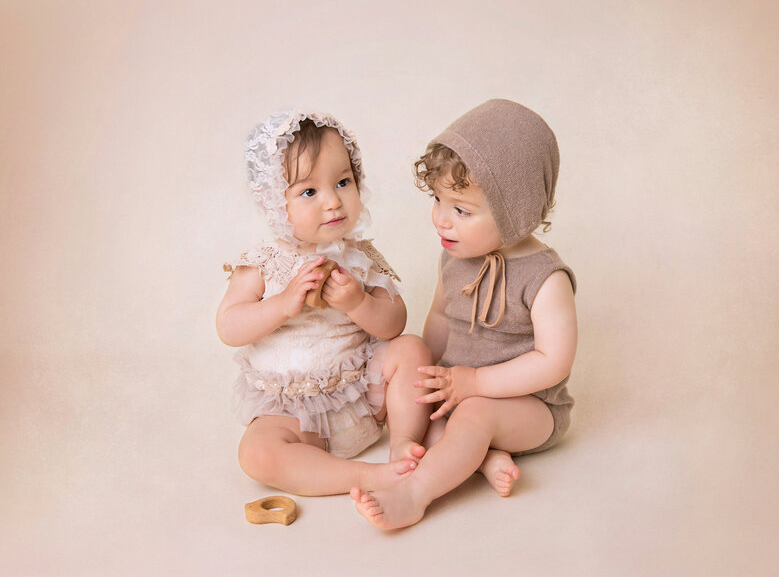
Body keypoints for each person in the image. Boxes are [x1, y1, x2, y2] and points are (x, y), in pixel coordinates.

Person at [351, 99, 578, 528]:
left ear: (517, 210)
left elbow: (554, 362)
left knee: (474, 416)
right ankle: (485, 459)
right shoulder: (456, 259)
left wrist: (475, 383)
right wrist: (426, 376)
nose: (441, 219)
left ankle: (415, 495)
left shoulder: (546, 278)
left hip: (529, 408)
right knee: (422, 383)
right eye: (438, 199)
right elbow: (440, 317)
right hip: (463, 391)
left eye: (461, 210)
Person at [217, 108, 432, 496]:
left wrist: (357, 303)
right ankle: (363, 477)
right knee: (256, 454)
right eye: (310, 192)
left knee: (413, 349)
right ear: (273, 203)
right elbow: (229, 327)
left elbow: (394, 322)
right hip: (293, 415)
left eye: (343, 182)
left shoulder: (360, 256)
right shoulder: (263, 263)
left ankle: (402, 442)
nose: (333, 202)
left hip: (364, 397)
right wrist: (282, 304)